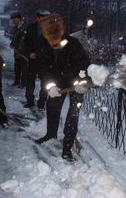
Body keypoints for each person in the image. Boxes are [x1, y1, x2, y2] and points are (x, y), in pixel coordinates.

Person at [35, 14, 90, 161]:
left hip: (75, 83)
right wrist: (50, 86)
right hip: (56, 82)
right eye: (50, 40)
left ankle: (67, 146)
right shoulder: (43, 45)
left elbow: (84, 64)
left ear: (61, 34)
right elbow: (42, 69)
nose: (53, 42)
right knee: (52, 106)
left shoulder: (73, 44)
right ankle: (50, 134)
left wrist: (81, 82)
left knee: (73, 113)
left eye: (56, 39)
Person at [23, 9, 51, 108]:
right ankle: (29, 100)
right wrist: (30, 52)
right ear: (37, 18)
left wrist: (46, 55)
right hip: (33, 60)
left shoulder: (51, 29)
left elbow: (53, 45)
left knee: (45, 82)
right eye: (43, 18)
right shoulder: (31, 28)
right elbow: (26, 42)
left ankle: (42, 101)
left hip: (45, 61)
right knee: (30, 80)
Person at [9, 11, 28, 88]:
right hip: (17, 51)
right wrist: (12, 43)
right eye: (12, 19)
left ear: (19, 19)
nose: (13, 20)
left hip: (24, 52)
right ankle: (16, 81)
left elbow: (24, 40)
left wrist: (20, 50)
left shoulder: (25, 27)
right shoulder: (15, 28)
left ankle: (24, 83)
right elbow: (14, 38)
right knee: (17, 67)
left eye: (15, 19)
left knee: (24, 68)